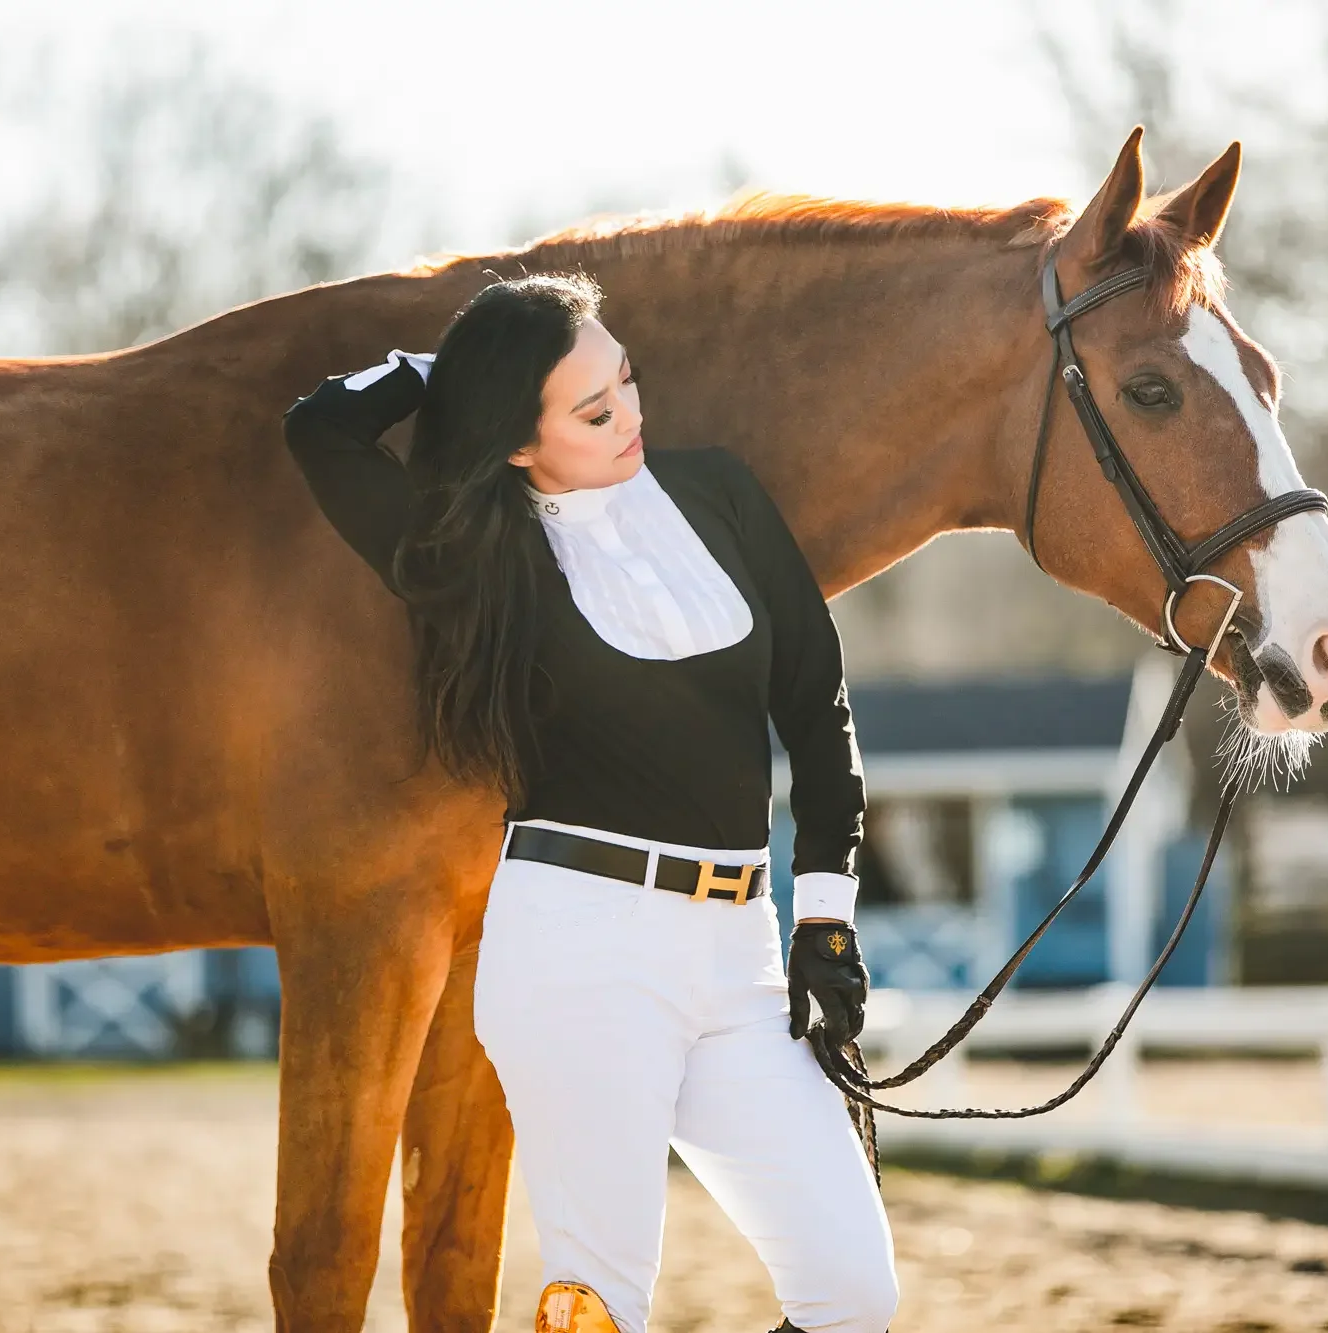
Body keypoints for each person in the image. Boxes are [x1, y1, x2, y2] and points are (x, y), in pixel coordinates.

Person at [282, 272, 897, 1333]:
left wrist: (827, 919)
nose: (631, 419)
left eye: (627, 382)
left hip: (740, 956)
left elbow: (816, 707)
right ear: (517, 441)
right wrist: (456, 374)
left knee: (850, 1290)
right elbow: (321, 429)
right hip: (580, 950)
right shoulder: (479, 558)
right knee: (602, 1303)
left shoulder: (720, 496)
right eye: (592, 409)